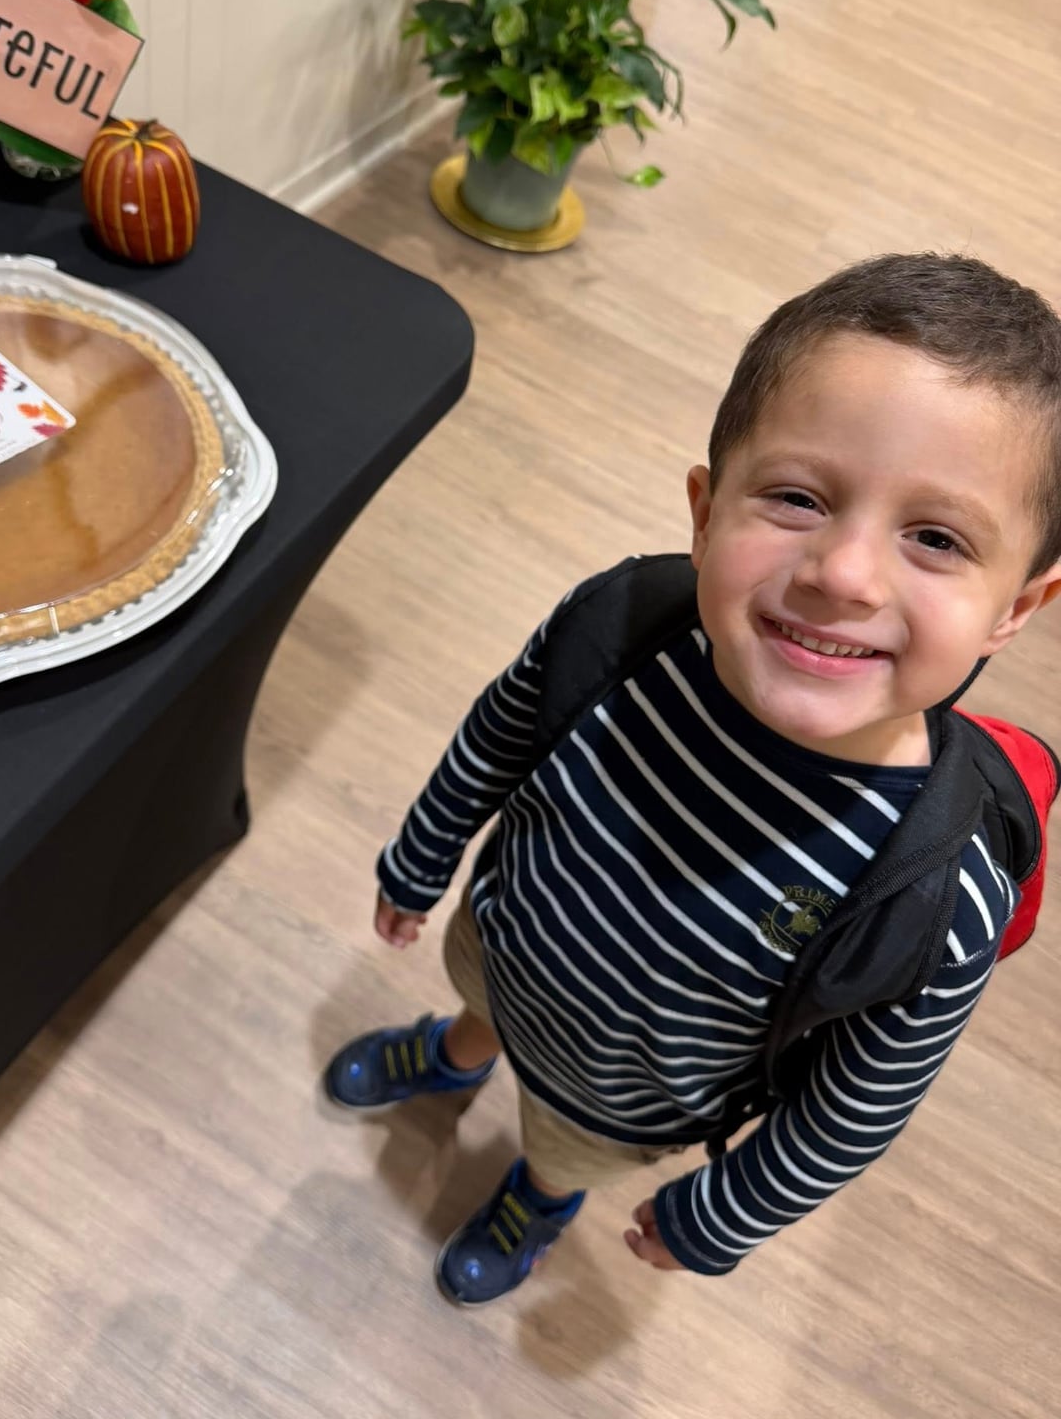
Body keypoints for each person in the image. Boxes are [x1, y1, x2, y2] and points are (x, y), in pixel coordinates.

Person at [325, 253, 1061, 1305]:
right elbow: (494, 735)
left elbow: (857, 1107)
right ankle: (455, 1050)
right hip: (504, 942)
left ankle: (539, 1194)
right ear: (706, 510)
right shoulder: (619, 630)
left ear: (1017, 609)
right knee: (477, 999)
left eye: (936, 538)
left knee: (559, 1145)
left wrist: (725, 1212)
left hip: (622, 1096)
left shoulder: (940, 892)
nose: (842, 575)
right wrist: (422, 854)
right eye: (799, 498)